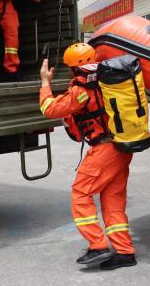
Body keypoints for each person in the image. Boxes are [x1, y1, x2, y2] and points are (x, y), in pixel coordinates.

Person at [39, 43, 137, 269]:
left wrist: (45, 82)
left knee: (81, 194)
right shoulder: (108, 80)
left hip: (104, 150)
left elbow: (49, 109)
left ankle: (98, 245)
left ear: (74, 67)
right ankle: (125, 253)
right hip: (122, 147)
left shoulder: (81, 90)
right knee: (112, 201)